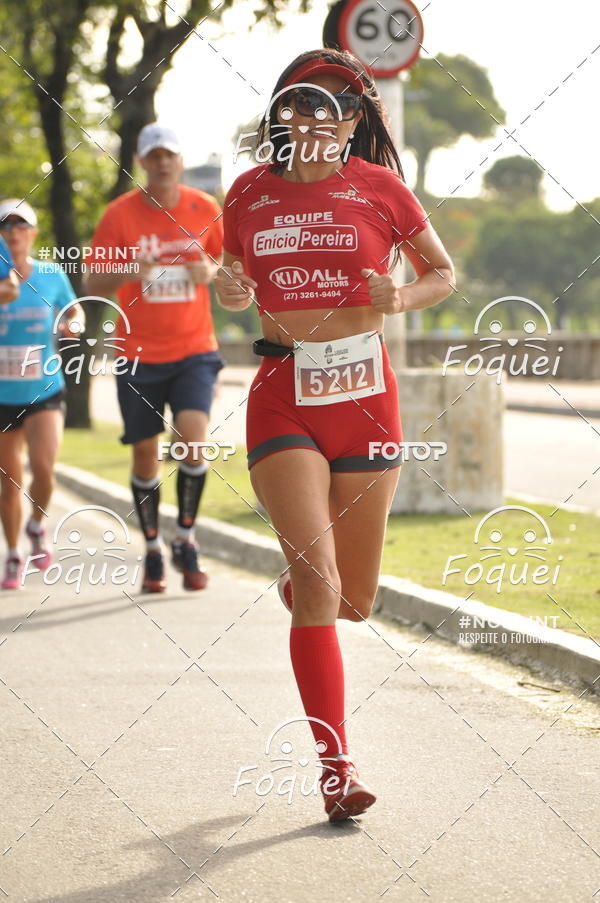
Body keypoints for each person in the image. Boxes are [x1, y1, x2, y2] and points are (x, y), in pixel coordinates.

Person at [216, 49, 455, 822]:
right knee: (321, 590)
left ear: (353, 120)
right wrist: (226, 286)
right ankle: (336, 766)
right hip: (283, 393)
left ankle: (304, 584)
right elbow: (232, 279)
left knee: (352, 599)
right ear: (280, 114)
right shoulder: (248, 192)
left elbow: (441, 274)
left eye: (328, 106)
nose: (310, 118)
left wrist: (402, 293)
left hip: (366, 397)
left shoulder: (383, 189)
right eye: (296, 103)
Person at [86, 124, 225, 593]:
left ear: (181, 161)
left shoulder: (204, 208)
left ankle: (185, 537)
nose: (163, 163)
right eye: (154, 156)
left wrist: (209, 270)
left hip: (194, 351)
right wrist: (128, 270)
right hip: (137, 354)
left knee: (192, 440)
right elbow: (92, 286)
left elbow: (229, 269)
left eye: (170, 155)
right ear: (142, 163)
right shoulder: (119, 215)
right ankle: (152, 549)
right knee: (146, 455)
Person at [0, 199, 80, 588]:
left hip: (44, 388)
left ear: (32, 233)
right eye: (5, 226)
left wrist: (72, 322)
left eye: (21, 225)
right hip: (1, 395)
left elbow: (73, 310)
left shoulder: (51, 274)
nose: (13, 232)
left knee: (45, 470)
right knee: (9, 483)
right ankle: (14, 554)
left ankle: (36, 526)